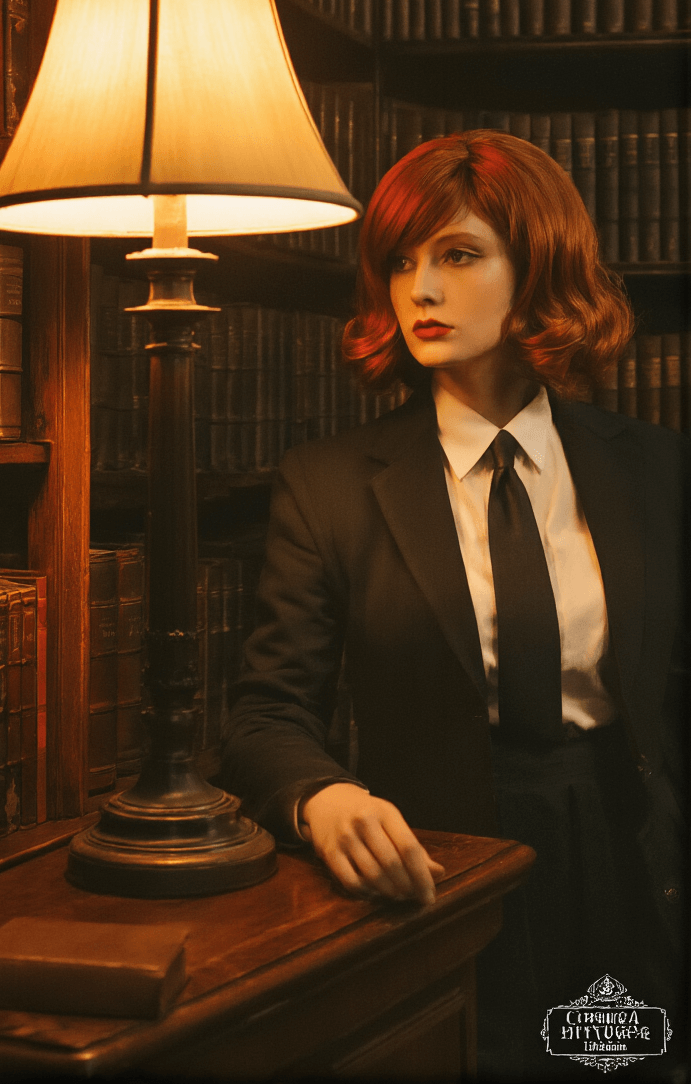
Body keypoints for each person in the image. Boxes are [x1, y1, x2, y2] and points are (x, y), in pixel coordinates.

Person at [220, 132, 688, 1079]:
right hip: (438, 865)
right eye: (401, 261)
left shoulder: (655, 469)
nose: (419, 289)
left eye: (458, 255)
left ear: (540, 265)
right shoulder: (331, 484)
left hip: (631, 848)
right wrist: (322, 795)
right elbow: (266, 714)